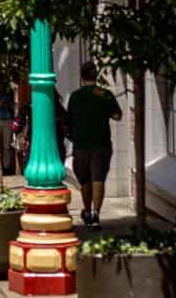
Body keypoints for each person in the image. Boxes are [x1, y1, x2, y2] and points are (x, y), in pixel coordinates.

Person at [67, 61, 122, 230]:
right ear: (96, 75)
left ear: (82, 76)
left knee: (85, 181)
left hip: (81, 144)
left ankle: (88, 211)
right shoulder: (104, 94)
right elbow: (117, 116)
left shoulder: (75, 96)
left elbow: (69, 120)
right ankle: (96, 214)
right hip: (101, 144)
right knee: (98, 178)